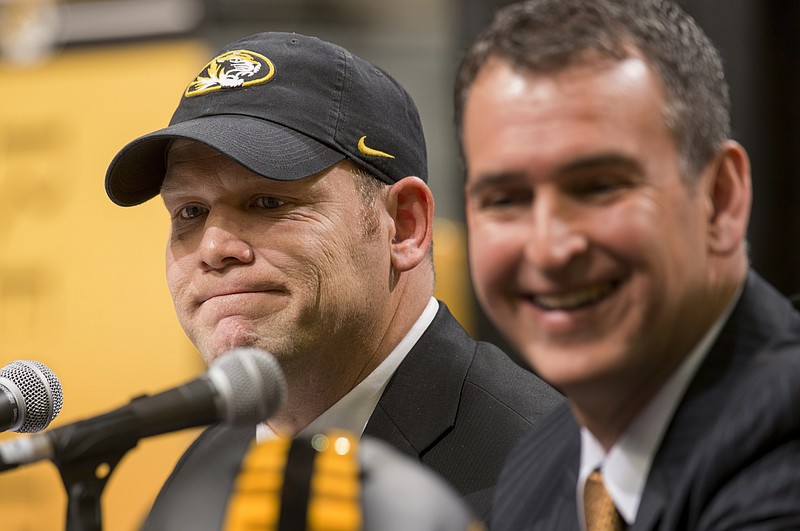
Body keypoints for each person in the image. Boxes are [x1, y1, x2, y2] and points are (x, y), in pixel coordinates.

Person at [104, 31, 562, 525]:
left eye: (268, 202)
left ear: (405, 226)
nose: (213, 249)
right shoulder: (204, 471)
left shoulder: (547, 475)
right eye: (190, 212)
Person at [455, 0, 800, 529]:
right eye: (506, 199)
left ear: (721, 199)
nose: (548, 249)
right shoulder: (541, 463)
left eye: (599, 187)